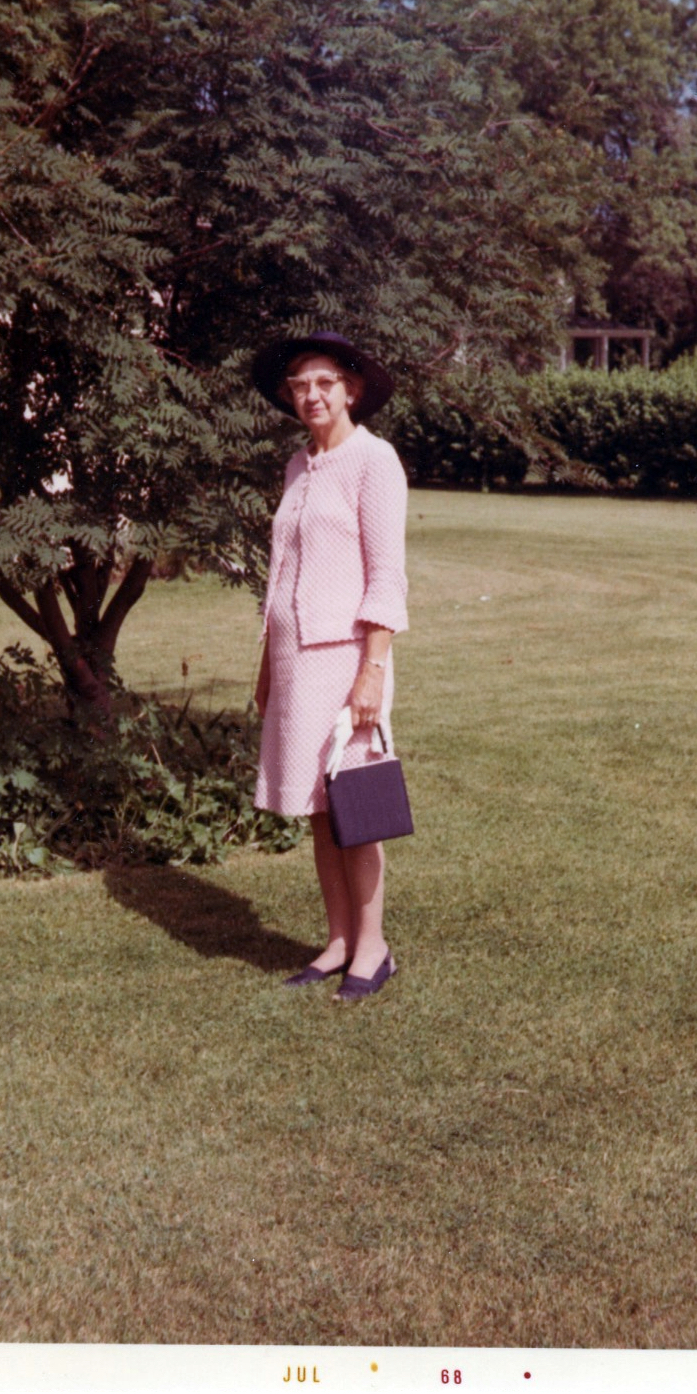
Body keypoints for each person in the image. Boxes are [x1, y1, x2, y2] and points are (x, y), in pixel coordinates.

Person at [250, 331, 409, 1002]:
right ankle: (339, 938)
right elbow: (282, 572)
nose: (310, 395)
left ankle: (374, 949)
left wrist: (372, 670)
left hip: (347, 659)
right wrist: (264, 667)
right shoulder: (297, 466)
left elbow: (387, 575)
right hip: (294, 662)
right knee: (320, 809)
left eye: (322, 382)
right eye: (298, 385)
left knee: (357, 806)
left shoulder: (375, 461)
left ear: (351, 389)